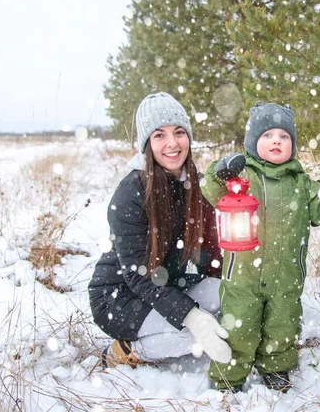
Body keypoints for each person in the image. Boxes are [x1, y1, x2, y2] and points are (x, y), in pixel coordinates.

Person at [201, 101, 320, 393]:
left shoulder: (302, 184)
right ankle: (228, 377)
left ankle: (276, 368)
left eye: (284, 136)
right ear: (252, 143)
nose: (276, 141)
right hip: (243, 277)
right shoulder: (241, 177)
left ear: (292, 145)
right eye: (268, 135)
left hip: (286, 276)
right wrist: (220, 171)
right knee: (238, 328)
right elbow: (211, 189)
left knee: (282, 326)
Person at [88, 92, 232, 368]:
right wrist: (193, 317)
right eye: (159, 135)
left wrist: (228, 282)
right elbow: (138, 277)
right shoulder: (130, 194)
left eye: (179, 132)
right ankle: (124, 350)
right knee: (194, 339)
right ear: (147, 144)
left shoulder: (194, 186)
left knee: (232, 297)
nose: (172, 143)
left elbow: (210, 251)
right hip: (120, 297)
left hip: (168, 284)